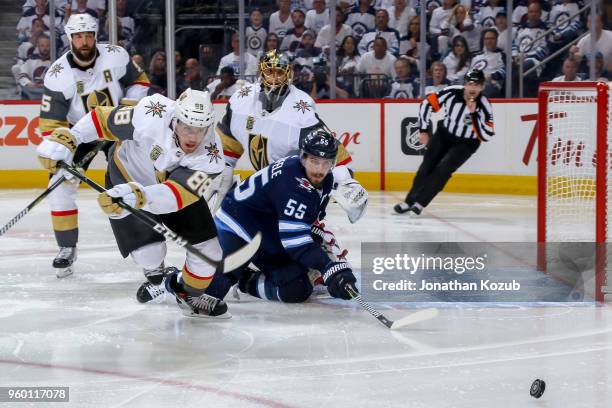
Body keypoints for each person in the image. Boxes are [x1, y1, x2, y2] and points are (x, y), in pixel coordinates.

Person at [36, 89, 230, 318]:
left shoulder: (212, 156)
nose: (193, 137)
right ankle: (158, 276)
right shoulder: (151, 113)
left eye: (200, 130)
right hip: (126, 178)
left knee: (209, 252)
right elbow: (102, 119)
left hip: (169, 191)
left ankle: (187, 294)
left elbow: (177, 196)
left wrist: (141, 197)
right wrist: (71, 137)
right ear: (175, 118)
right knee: (150, 255)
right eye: (187, 127)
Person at [39, 13, 150, 278]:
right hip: (83, 132)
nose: (85, 41)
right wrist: (62, 150)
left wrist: (125, 108)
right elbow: (51, 125)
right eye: (79, 36)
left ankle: (148, 250)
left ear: (95, 36)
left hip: (119, 126)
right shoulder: (57, 76)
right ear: (70, 39)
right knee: (59, 183)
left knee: (133, 183)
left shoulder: (116, 55)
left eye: (89, 35)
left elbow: (140, 81)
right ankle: (67, 247)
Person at [205, 128, 359, 304]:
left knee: (297, 288)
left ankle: (246, 279)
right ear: (303, 157)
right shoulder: (294, 185)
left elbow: (302, 221)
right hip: (237, 227)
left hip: (267, 228)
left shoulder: (322, 179)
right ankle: (174, 280)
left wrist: (317, 237)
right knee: (209, 293)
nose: (319, 170)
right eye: (314, 161)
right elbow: (295, 243)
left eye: (326, 163)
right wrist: (328, 267)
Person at [393, 69, 494, 215]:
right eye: (470, 84)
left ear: (482, 87)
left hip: (467, 143)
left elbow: (487, 135)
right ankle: (408, 202)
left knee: (443, 170)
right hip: (444, 134)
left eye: (477, 85)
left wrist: (474, 116)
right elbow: (426, 104)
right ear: (465, 84)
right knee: (426, 167)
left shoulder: (485, 105)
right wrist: (423, 130)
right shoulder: (452, 92)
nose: (473, 88)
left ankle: (420, 203)